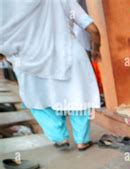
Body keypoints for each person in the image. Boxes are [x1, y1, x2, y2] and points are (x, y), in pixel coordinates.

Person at [0, 0, 101, 151]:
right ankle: (82, 141)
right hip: (69, 54)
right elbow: (93, 29)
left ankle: (60, 139)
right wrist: (96, 50)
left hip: (27, 60)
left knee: (39, 102)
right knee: (79, 97)